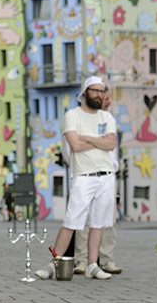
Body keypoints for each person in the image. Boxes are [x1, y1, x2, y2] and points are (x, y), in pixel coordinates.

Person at [48, 76, 118, 281]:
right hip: (83, 175)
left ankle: (92, 265)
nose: (99, 94)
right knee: (72, 220)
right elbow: (75, 146)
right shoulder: (73, 115)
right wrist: (99, 141)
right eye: (95, 90)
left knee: (99, 223)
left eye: (101, 91)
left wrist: (85, 137)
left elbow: (111, 145)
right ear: (85, 92)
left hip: (106, 175)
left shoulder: (108, 118)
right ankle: (54, 263)